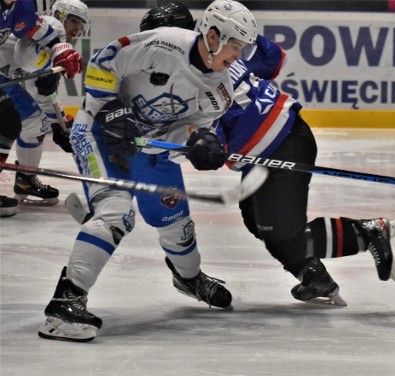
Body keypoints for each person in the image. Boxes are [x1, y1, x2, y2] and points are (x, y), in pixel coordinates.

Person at [139, 1, 395, 307]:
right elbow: (273, 59)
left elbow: (206, 140)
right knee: (256, 218)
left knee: (279, 230)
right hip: (278, 142)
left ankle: (369, 232)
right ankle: (312, 275)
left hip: (282, 143)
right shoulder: (221, 54)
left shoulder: (193, 72)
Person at [38, 0, 258, 342]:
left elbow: (188, 128)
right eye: (235, 46)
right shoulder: (164, 42)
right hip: (100, 133)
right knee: (116, 211)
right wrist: (110, 107)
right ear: (213, 36)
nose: (238, 56)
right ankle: (65, 301)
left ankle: (188, 278)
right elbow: (103, 61)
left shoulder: (220, 90)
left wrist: (199, 143)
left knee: (176, 223)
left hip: (148, 144)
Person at [0, 0, 83, 217]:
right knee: (15, 122)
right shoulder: (52, 25)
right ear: (61, 15)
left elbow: (41, 93)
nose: (77, 29)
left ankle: (26, 180)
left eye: (81, 24)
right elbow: (25, 60)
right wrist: (49, 68)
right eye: (74, 20)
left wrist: (60, 125)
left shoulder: (33, 20)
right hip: (2, 76)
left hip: (5, 78)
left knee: (31, 122)